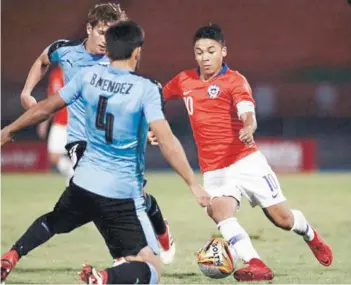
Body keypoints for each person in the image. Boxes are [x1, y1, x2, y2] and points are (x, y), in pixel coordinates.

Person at [1, 21, 210, 284]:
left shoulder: (87, 77)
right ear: (137, 52)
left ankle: (11, 254)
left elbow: (45, 109)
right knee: (151, 267)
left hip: (83, 182)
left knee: (54, 221)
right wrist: (193, 183)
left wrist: (8, 131)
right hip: (121, 193)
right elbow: (167, 141)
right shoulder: (146, 88)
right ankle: (102, 278)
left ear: (108, 50)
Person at [149, 23, 333, 281]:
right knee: (218, 212)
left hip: (245, 161)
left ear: (223, 52)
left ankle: (310, 235)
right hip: (213, 170)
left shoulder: (234, 80)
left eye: (211, 51)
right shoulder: (184, 80)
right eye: (199, 52)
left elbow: (247, 111)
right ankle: (256, 263)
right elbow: (157, 96)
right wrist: (152, 126)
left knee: (282, 219)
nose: (205, 57)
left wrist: (248, 125)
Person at [18, 2, 176, 265]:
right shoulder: (65, 51)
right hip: (80, 140)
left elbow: (134, 96)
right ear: (90, 28)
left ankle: (159, 226)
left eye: (112, 34)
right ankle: (122, 256)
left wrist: (148, 128)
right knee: (98, 195)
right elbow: (42, 60)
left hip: (113, 142)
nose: (106, 40)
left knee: (133, 197)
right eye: (103, 32)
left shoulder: (117, 60)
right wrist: (26, 91)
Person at [36, 66, 74, 184]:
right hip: (59, 123)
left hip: (74, 123)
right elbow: (51, 100)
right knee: (53, 156)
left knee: (78, 154)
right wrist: (44, 122)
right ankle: (71, 172)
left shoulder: (76, 74)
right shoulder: (55, 74)